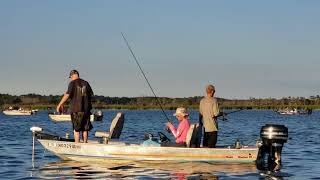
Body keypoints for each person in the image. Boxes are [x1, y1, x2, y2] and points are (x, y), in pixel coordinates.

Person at [56, 70, 93, 143]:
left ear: (73, 75)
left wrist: (60, 104)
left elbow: (67, 94)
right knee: (85, 128)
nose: (71, 79)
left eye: (71, 77)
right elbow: (90, 94)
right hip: (86, 110)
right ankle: (85, 143)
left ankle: (77, 144)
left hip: (76, 109)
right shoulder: (86, 83)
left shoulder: (72, 83)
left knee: (77, 129)